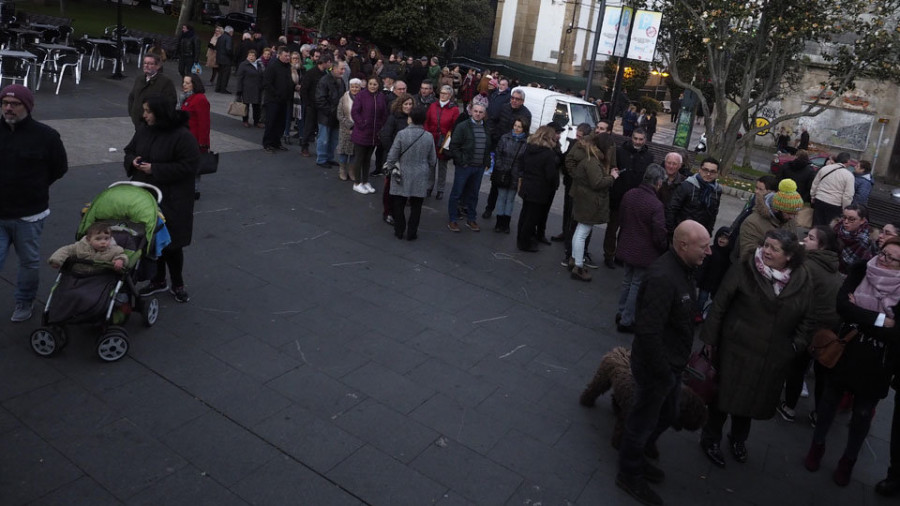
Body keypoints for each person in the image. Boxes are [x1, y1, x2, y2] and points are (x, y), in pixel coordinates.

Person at [615, 220, 712, 506]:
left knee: (668, 414)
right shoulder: (662, 277)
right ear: (683, 245)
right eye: (703, 247)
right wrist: (662, 372)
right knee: (642, 420)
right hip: (657, 369)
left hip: (670, 366)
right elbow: (648, 331)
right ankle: (629, 472)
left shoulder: (683, 269)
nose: (708, 252)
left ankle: (636, 452)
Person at [700, 229, 814, 468]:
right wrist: (710, 339)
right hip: (735, 349)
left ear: (790, 256)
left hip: (770, 356)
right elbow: (720, 304)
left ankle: (738, 440)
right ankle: (710, 438)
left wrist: (795, 345)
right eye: (766, 245)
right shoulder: (745, 268)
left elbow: (807, 317)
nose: (766, 251)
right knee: (722, 397)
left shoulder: (802, 278)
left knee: (751, 401)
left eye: (774, 248)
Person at [805, 237, 900, 486]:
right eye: (883, 252)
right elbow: (842, 306)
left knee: (861, 416)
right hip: (846, 351)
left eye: (891, 258)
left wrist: (862, 315)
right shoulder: (861, 269)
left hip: (877, 364)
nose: (883, 258)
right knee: (828, 404)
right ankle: (817, 446)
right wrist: (881, 319)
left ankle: (848, 461)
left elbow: (896, 333)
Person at [0, 84, 68, 322]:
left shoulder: (46, 136)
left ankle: (24, 301)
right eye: (5, 103)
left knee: (28, 262)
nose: (8, 108)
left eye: (14, 104)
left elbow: (60, 168)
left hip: (29, 215)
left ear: (27, 107)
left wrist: (36, 186)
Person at [126, 96, 200, 303]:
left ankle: (177, 282)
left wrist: (155, 169)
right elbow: (130, 150)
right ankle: (158, 279)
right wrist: (133, 161)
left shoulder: (182, 136)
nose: (144, 115)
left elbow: (190, 166)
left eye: (148, 111)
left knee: (172, 243)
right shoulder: (144, 130)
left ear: (160, 112)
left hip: (173, 198)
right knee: (151, 240)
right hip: (146, 195)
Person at [776, 226, 842, 425]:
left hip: (809, 326)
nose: (805, 239)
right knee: (822, 374)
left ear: (821, 246)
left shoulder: (809, 265)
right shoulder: (833, 265)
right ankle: (817, 414)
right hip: (828, 329)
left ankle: (789, 407)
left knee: (798, 368)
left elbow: (793, 293)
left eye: (811, 238)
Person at [614, 164, 667, 328]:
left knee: (626, 281)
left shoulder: (630, 194)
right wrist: (664, 246)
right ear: (658, 182)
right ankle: (627, 320)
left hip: (626, 244)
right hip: (644, 251)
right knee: (636, 284)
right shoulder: (656, 205)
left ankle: (621, 311)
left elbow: (621, 218)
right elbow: (659, 232)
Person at [568, 133, 619, 276]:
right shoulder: (593, 161)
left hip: (585, 199)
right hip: (589, 202)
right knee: (582, 233)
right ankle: (578, 266)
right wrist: (612, 177)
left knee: (580, 231)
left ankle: (574, 260)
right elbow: (597, 183)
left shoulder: (592, 158)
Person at [605, 128, 654, 268]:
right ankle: (608, 255)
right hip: (618, 195)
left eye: (640, 139)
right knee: (612, 227)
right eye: (636, 138)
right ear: (631, 138)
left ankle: (620, 255)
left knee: (628, 229)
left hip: (636, 198)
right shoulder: (620, 151)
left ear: (645, 140)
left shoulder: (648, 156)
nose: (638, 142)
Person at [386, 105, 436, 241]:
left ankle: (399, 230)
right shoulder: (428, 136)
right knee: (416, 206)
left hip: (402, 173)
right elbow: (433, 160)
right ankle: (412, 233)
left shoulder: (402, 134)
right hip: (420, 174)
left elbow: (392, 156)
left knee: (399, 204)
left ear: (410, 119)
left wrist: (389, 167)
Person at [484, 88, 533, 219]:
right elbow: (493, 121)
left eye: (517, 99)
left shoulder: (526, 114)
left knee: (509, 187)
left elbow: (525, 132)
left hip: (515, 153)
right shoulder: (504, 108)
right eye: (512, 98)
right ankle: (489, 208)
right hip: (501, 146)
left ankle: (504, 217)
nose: (514, 101)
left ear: (522, 101)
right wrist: (494, 136)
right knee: (496, 182)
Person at [732, 178, 802, 262]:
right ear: (776, 209)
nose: (792, 217)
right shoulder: (753, 222)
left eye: (795, 213)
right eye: (789, 213)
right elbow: (748, 255)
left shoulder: (790, 221)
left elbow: (794, 247)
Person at [517, 126, 561, 253]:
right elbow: (550, 175)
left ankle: (520, 239)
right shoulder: (548, 154)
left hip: (527, 186)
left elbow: (522, 164)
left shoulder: (529, 148)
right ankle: (525, 243)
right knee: (532, 218)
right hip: (539, 189)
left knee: (524, 214)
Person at [446, 103, 490, 233]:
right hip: (464, 167)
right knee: (457, 193)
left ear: (484, 114)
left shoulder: (487, 128)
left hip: (479, 167)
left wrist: (486, 161)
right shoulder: (462, 126)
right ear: (471, 112)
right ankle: (453, 219)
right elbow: (454, 146)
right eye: (475, 111)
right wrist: (462, 161)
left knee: (473, 194)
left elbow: (488, 146)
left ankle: (471, 219)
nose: (477, 114)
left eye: (480, 112)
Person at [379, 93, 414, 224]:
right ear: (400, 105)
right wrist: (395, 154)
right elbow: (386, 137)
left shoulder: (413, 119)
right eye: (406, 104)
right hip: (394, 159)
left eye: (410, 104)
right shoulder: (393, 118)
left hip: (408, 160)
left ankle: (397, 211)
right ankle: (388, 212)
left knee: (403, 188)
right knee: (390, 187)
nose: (408, 106)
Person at [665, 156, 723, 237]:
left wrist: (708, 232)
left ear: (717, 173)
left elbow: (713, 213)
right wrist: (672, 231)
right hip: (682, 233)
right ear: (700, 169)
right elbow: (672, 208)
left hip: (701, 235)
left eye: (712, 171)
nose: (708, 174)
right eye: (705, 170)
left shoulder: (717, 190)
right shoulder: (687, 186)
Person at [350, 76, 388, 194]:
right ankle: (357, 183)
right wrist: (362, 124)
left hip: (374, 133)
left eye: (375, 84)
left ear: (378, 85)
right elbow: (355, 112)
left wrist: (381, 126)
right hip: (362, 132)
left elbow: (384, 113)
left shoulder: (381, 96)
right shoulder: (361, 95)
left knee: (367, 159)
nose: (372, 86)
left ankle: (365, 181)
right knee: (359, 158)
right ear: (367, 85)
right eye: (370, 84)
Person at [491, 118, 529, 234]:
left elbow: (525, 161)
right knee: (502, 197)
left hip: (515, 175)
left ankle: (506, 223)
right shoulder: (505, 137)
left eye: (519, 126)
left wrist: (520, 174)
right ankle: (499, 222)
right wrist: (501, 167)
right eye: (515, 125)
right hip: (503, 172)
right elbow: (498, 154)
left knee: (510, 199)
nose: (516, 128)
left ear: (524, 129)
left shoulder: (526, 142)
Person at [424, 85, 460, 199]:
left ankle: (440, 189)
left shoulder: (454, 109)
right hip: (432, 138)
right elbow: (427, 121)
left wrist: (449, 140)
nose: (442, 95)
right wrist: (427, 134)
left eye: (445, 93)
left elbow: (455, 127)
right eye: (441, 93)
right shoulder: (433, 106)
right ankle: (429, 187)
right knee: (431, 164)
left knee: (442, 166)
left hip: (445, 141)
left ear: (450, 95)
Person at [48, 223, 128, 274]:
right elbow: (65, 250)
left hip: (100, 277)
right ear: (89, 240)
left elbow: (122, 255)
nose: (103, 242)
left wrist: (120, 260)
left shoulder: (114, 249)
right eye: (98, 239)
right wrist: (56, 260)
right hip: (77, 273)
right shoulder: (81, 246)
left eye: (106, 238)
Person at [180, 74, 210, 201]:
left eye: (187, 83)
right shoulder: (187, 98)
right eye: (184, 82)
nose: (184, 85)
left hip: (195, 140)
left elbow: (204, 123)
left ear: (194, 84)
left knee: (194, 167)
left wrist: (203, 142)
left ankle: (194, 190)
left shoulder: (200, 99)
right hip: (185, 139)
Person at [128, 55, 177, 128]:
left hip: (155, 126)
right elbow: (132, 97)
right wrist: (133, 114)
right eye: (145, 63)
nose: (146, 66)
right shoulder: (139, 79)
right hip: (138, 123)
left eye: (150, 64)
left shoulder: (166, 82)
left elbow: (171, 103)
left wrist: (158, 120)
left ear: (157, 66)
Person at [314, 59, 346, 168]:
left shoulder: (341, 81)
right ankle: (322, 159)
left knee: (333, 139)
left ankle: (329, 158)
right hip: (326, 116)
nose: (343, 71)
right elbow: (320, 99)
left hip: (336, 116)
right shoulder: (324, 81)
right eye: (341, 69)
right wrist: (331, 112)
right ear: (335, 68)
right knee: (324, 139)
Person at [261, 47, 294, 153]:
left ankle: (276, 142)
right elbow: (267, 83)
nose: (288, 58)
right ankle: (267, 143)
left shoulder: (288, 66)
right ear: (279, 55)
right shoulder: (273, 66)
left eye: (289, 56)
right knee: (271, 122)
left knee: (281, 123)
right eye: (286, 56)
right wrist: (276, 94)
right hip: (273, 100)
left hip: (285, 100)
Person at [695, 226, 731, 319]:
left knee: (714, 301)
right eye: (720, 236)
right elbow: (702, 267)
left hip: (718, 284)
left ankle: (707, 315)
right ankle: (697, 314)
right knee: (702, 299)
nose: (722, 239)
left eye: (726, 238)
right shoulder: (711, 250)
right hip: (706, 282)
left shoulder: (728, 255)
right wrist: (698, 278)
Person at [810, 152, 855, 226]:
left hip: (819, 199)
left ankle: (814, 236)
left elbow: (815, 184)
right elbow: (848, 195)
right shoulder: (849, 175)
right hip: (835, 204)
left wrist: (813, 196)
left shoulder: (825, 168)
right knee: (829, 227)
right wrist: (845, 208)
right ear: (848, 161)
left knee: (817, 224)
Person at [833, 203, 876, 274]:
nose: (846, 222)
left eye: (851, 219)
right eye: (844, 217)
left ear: (862, 221)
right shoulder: (836, 228)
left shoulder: (865, 241)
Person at [299, 55, 328, 156]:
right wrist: (307, 103)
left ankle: (320, 148)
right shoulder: (311, 73)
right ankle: (304, 146)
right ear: (324, 63)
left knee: (319, 127)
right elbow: (304, 89)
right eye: (329, 62)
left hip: (321, 105)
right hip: (311, 104)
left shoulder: (325, 74)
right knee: (308, 126)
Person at [337, 78, 362, 182]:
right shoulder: (344, 98)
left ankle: (351, 171)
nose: (354, 89)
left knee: (353, 152)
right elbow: (339, 114)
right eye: (352, 86)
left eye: (357, 87)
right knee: (343, 151)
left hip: (358, 129)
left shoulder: (362, 98)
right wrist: (349, 125)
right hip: (345, 129)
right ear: (349, 87)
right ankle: (342, 170)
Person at [235, 49, 264, 128]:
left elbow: (262, 75)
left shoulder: (258, 64)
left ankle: (256, 121)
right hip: (246, 89)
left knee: (257, 107)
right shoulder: (243, 65)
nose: (251, 57)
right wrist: (239, 90)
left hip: (257, 89)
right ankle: (245, 121)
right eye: (250, 55)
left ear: (256, 57)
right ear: (247, 56)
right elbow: (239, 78)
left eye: (253, 55)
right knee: (246, 106)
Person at [214, 26, 234, 93]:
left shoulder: (220, 37)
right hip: (226, 59)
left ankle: (218, 87)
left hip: (219, 58)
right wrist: (231, 56)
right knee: (225, 75)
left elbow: (216, 47)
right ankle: (223, 88)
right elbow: (228, 49)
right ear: (230, 32)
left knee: (220, 74)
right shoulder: (229, 38)